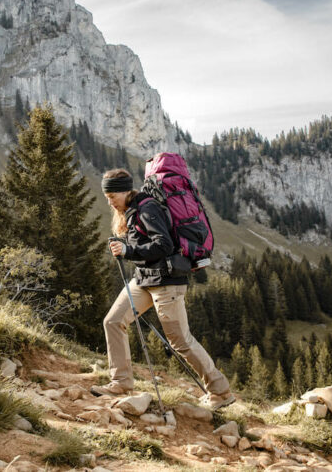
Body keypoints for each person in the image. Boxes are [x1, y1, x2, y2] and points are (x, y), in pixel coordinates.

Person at [90, 168, 235, 410]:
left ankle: (220, 392)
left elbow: (164, 244)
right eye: (107, 197)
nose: (109, 201)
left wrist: (128, 251)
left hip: (167, 282)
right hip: (144, 278)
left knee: (180, 341)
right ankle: (121, 382)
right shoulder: (132, 211)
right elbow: (146, 243)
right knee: (113, 321)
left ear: (125, 190)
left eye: (112, 196)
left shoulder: (148, 209)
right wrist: (126, 245)